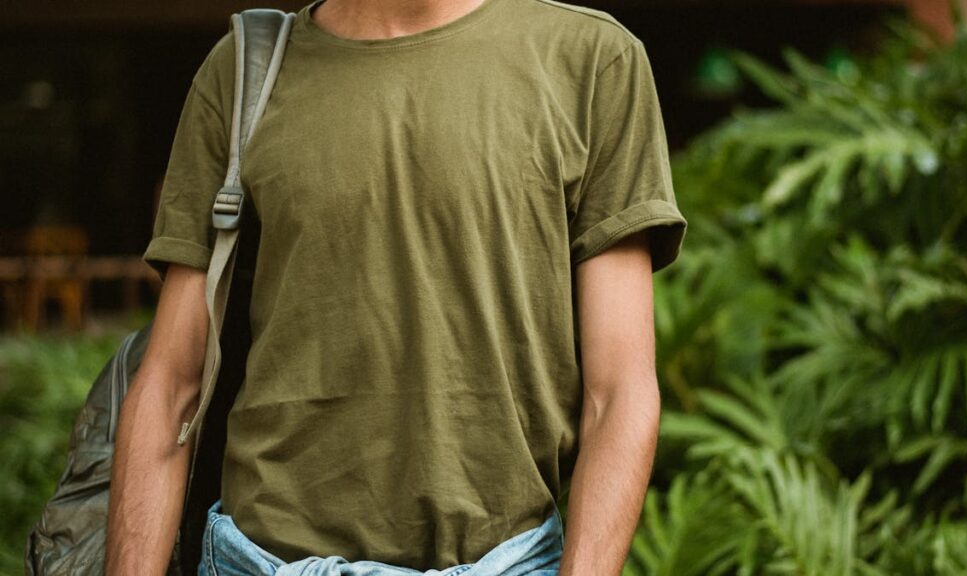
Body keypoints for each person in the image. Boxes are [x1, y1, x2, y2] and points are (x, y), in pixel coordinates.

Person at [105, 0, 688, 573]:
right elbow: (170, 381)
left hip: (505, 560)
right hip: (259, 559)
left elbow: (619, 392)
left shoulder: (592, 60)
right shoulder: (244, 70)